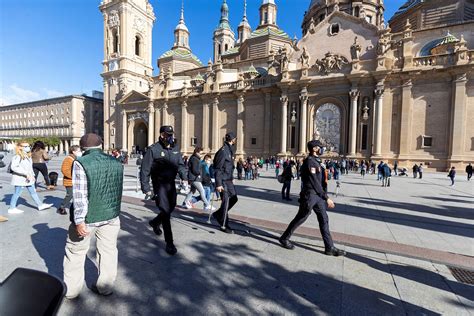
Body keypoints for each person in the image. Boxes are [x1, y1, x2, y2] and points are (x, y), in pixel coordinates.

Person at [63, 133, 123, 299]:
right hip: (111, 215)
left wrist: (79, 220)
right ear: (101, 145)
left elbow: (80, 196)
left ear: (82, 148)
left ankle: (72, 290)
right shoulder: (116, 161)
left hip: (89, 218)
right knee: (109, 251)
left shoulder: (81, 163)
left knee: (75, 253)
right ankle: (105, 287)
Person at [279, 140, 345, 256]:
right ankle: (284, 238)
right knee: (301, 218)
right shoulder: (310, 162)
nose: (322, 149)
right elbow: (315, 182)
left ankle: (329, 247)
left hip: (317, 196)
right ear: (314, 148)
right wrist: (326, 197)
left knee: (324, 220)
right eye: (320, 147)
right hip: (310, 195)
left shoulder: (317, 161)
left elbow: (320, 181)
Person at [140, 126, 188, 255]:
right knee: (166, 212)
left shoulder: (175, 148)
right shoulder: (153, 149)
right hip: (159, 184)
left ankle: (155, 222)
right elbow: (145, 170)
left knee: (171, 207)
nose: (170, 137)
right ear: (161, 135)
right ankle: (170, 243)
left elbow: (181, 165)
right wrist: (146, 188)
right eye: (167, 135)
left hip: (171, 184)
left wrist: (185, 177)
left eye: (171, 134)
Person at [8, 142, 54, 214]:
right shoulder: (17, 156)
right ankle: (12, 208)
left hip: (28, 178)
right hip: (20, 178)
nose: (28, 147)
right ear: (20, 147)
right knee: (17, 193)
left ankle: (40, 205)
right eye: (25, 146)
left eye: (28, 146)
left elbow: (30, 167)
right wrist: (26, 173)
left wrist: (32, 175)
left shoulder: (27, 156)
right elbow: (13, 167)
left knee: (33, 192)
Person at [212, 132, 238, 234]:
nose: (236, 140)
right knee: (226, 202)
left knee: (234, 198)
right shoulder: (223, 151)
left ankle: (218, 213)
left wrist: (232, 177)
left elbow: (229, 167)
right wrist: (218, 184)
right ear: (232, 139)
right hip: (223, 181)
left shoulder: (229, 150)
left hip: (228, 180)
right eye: (235, 139)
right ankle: (224, 224)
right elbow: (217, 168)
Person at [183, 147, 216, 212]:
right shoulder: (194, 159)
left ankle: (185, 202)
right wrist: (199, 174)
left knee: (192, 191)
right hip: (195, 178)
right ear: (196, 152)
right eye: (200, 153)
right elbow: (195, 170)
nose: (201, 155)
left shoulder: (195, 158)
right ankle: (207, 204)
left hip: (193, 178)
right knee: (202, 191)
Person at [57, 145, 82, 215]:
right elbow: (64, 170)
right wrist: (74, 176)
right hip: (69, 181)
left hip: (76, 181)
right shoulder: (68, 159)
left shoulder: (76, 158)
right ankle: (62, 207)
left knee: (77, 195)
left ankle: (77, 208)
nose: (80, 152)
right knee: (70, 195)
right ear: (73, 152)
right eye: (78, 151)